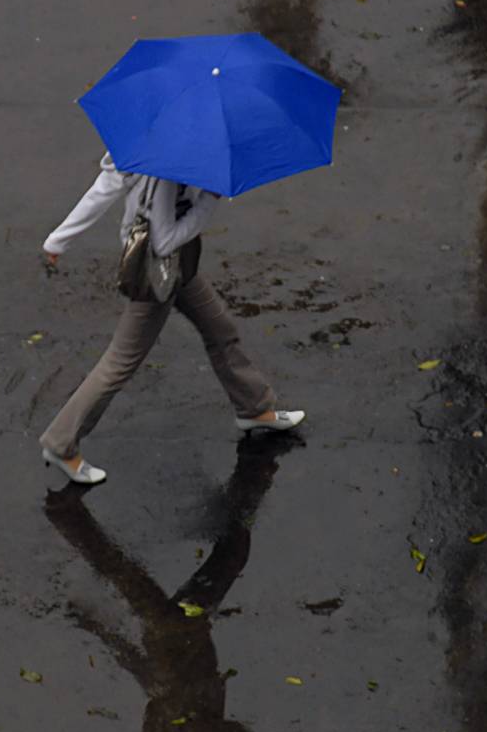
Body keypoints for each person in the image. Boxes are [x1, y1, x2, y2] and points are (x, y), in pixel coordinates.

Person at [39, 152, 305, 484]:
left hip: (180, 267)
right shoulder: (167, 172)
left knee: (220, 329)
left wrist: (58, 240)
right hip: (157, 274)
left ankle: (254, 408)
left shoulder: (152, 146)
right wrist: (208, 202)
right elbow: (163, 241)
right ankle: (60, 443)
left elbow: (106, 185)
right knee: (120, 363)